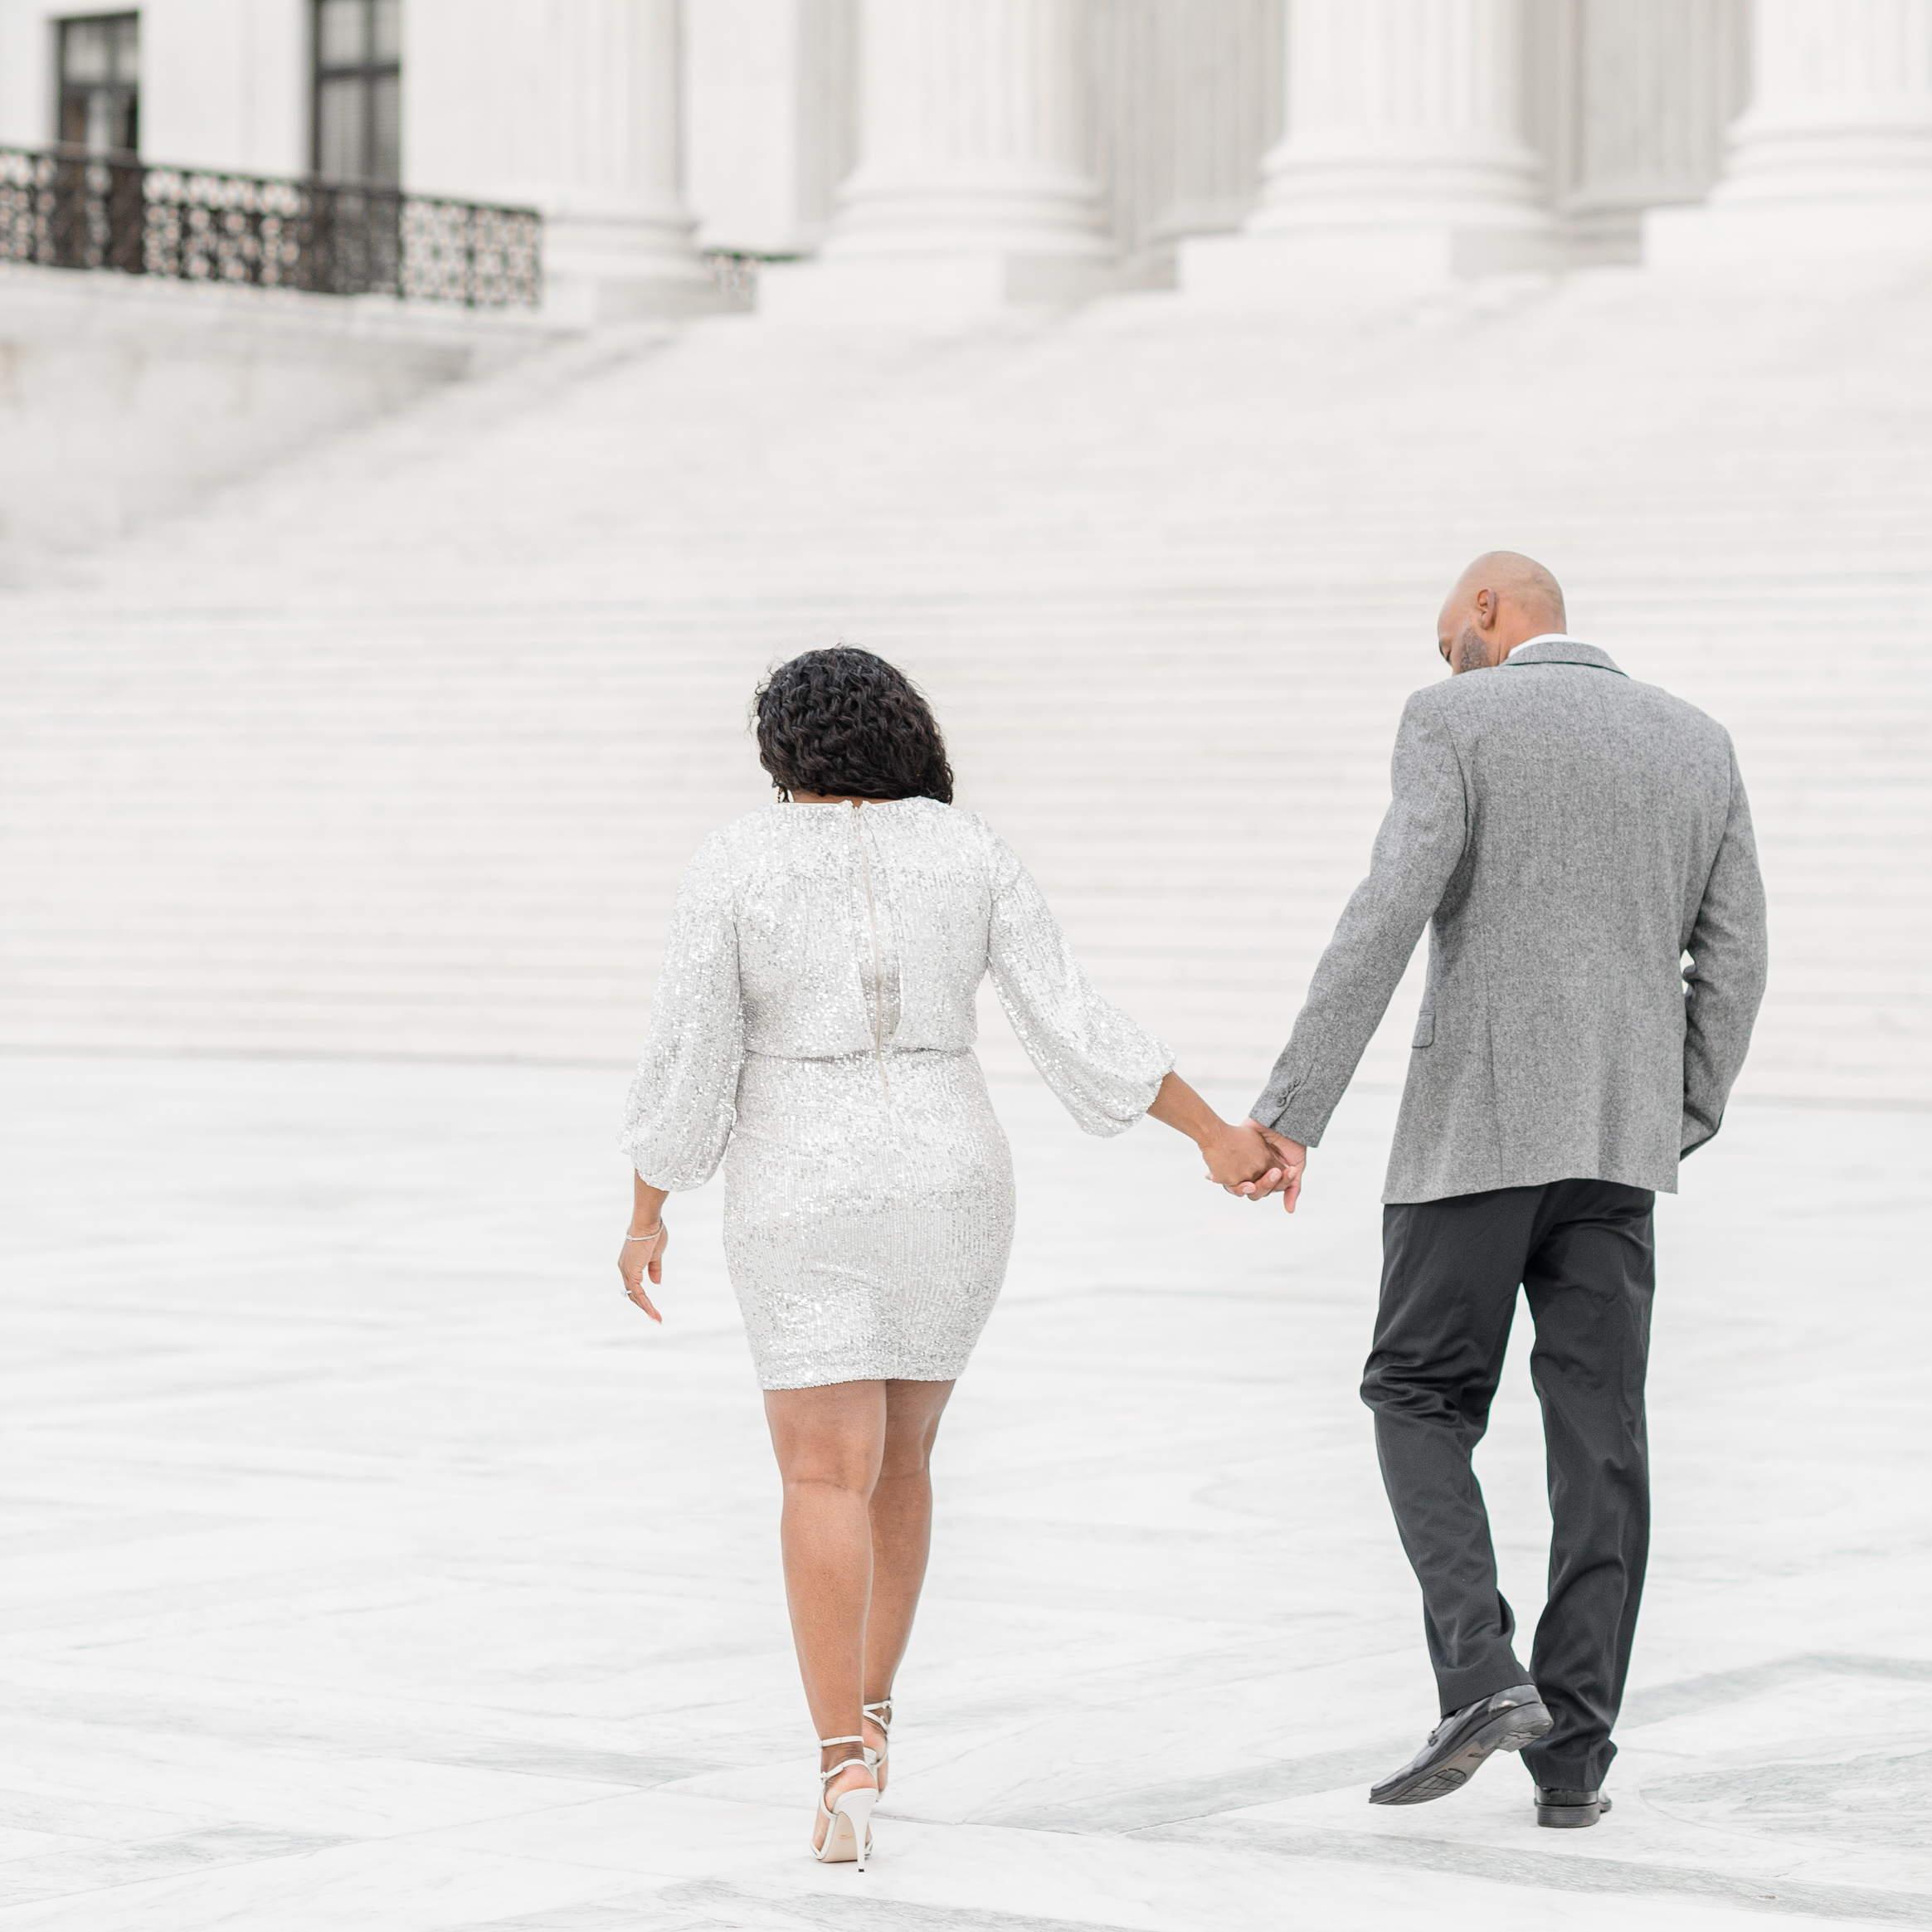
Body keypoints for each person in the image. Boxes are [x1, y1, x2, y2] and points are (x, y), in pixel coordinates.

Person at [616, 645, 1282, 1870]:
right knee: (902, 1461)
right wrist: (1212, 1135)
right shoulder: (967, 848)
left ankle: (839, 1764)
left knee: (822, 1472)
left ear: (780, 748)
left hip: (802, 1177)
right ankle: (875, 1717)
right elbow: (1070, 1013)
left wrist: (649, 1203)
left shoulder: (734, 859)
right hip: (950, 1174)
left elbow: (690, 1046)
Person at [1239, 552, 1767, 1827]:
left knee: (1414, 1391)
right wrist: (1672, 1116)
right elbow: (1735, 957)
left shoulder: (1453, 720)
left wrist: (1291, 1107)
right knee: (1601, 1439)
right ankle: (1573, 1757)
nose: (1445, 659)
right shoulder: (1695, 743)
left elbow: (1383, 915)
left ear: (1487, 606)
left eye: (1446, 636)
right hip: (1614, 1150)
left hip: (1472, 1138)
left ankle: (1479, 1670)